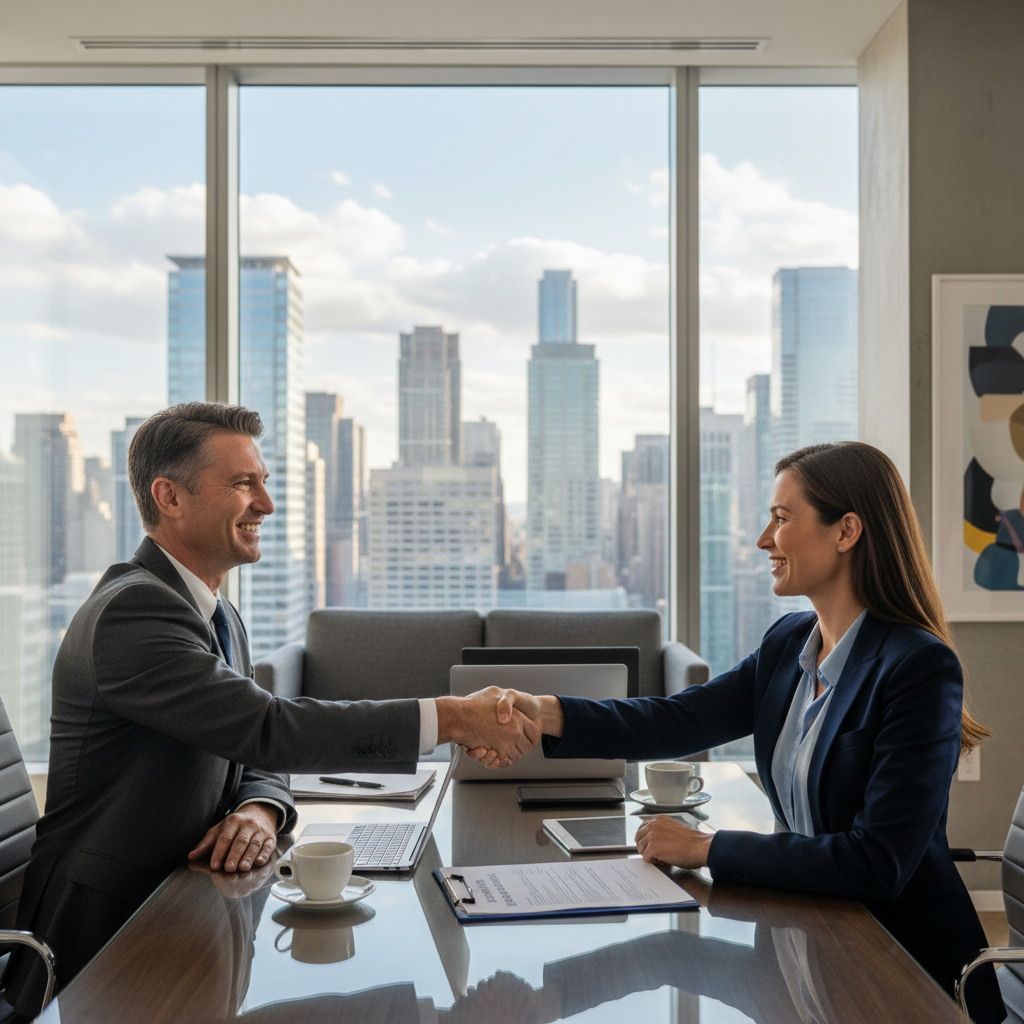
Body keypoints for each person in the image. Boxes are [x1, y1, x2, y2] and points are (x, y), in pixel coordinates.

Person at [4, 402, 538, 1015]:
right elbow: (269, 729)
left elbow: (251, 749)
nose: (267, 504)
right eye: (242, 484)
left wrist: (259, 809)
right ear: (169, 497)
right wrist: (451, 718)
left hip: (194, 912)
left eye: (264, 482)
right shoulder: (134, 614)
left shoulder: (214, 613)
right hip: (107, 942)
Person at [481, 441, 1006, 1024]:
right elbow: (678, 718)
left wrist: (707, 847)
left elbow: (877, 862)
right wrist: (544, 712)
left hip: (903, 973)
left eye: (781, 518)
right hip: (807, 941)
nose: (763, 540)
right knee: (668, 957)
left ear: (846, 531)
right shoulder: (788, 644)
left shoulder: (917, 667)